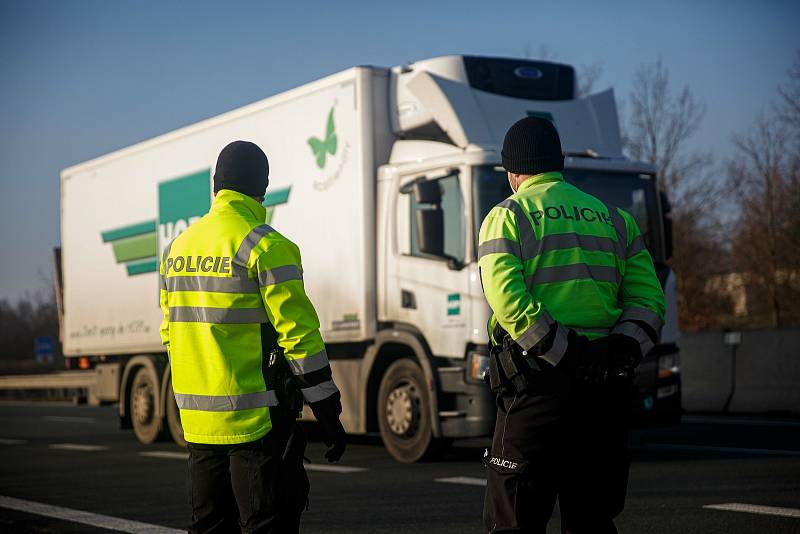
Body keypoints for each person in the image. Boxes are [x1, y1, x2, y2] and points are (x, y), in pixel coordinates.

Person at [478, 117, 665, 533]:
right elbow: (650, 302)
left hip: (537, 390)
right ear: (558, 163)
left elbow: (509, 302)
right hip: (605, 393)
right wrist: (617, 351)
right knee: (591, 519)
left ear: (513, 172)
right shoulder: (616, 219)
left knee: (516, 522)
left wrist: (569, 354)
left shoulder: (507, 216)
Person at [159, 140, 347, 534]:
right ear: (262, 188)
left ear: (215, 185)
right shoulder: (268, 245)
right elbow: (300, 339)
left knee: (209, 526)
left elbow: (170, 332)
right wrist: (327, 409)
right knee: (266, 524)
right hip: (257, 423)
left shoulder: (176, 249)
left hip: (197, 424)